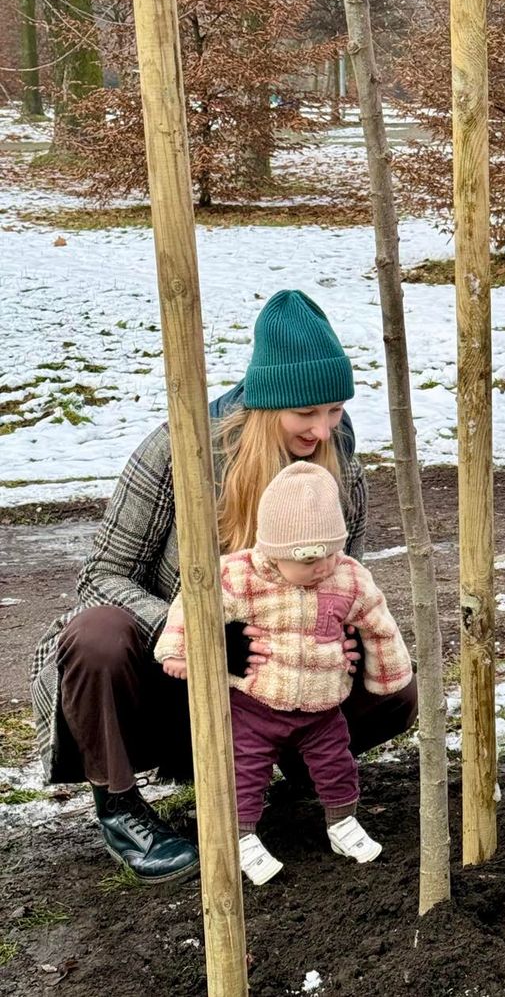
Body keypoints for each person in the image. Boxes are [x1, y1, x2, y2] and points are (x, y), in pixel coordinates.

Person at [29, 289, 419, 883]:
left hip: (278, 679)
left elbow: (343, 579)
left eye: (334, 410)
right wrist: (200, 634)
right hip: (176, 686)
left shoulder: (339, 460)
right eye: (306, 414)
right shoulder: (180, 449)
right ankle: (120, 806)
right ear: (268, 403)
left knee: (393, 687)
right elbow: (99, 576)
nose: (323, 428)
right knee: (95, 635)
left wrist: (337, 636)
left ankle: (285, 767)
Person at [155, 462, 412, 885]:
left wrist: (387, 676)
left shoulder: (348, 578)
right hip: (254, 704)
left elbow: (378, 623)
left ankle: (342, 822)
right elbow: (192, 603)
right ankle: (240, 836)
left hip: (322, 706)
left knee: (337, 764)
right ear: (274, 550)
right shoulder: (239, 576)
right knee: (243, 769)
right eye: (310, 559)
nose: (323, 566)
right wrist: (181, 651)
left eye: (331, 553)